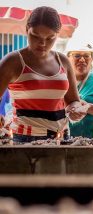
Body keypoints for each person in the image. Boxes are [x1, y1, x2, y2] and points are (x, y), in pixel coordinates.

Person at [0, 6, 85, 142]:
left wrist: (75, 109)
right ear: (27, 30)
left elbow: (72, 100)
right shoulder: (13, 62)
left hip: (61, 137)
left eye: (50, 38)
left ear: (57, 35)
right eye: (35, 36)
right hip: (24, 139)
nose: (42, 43)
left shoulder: (63, 61)